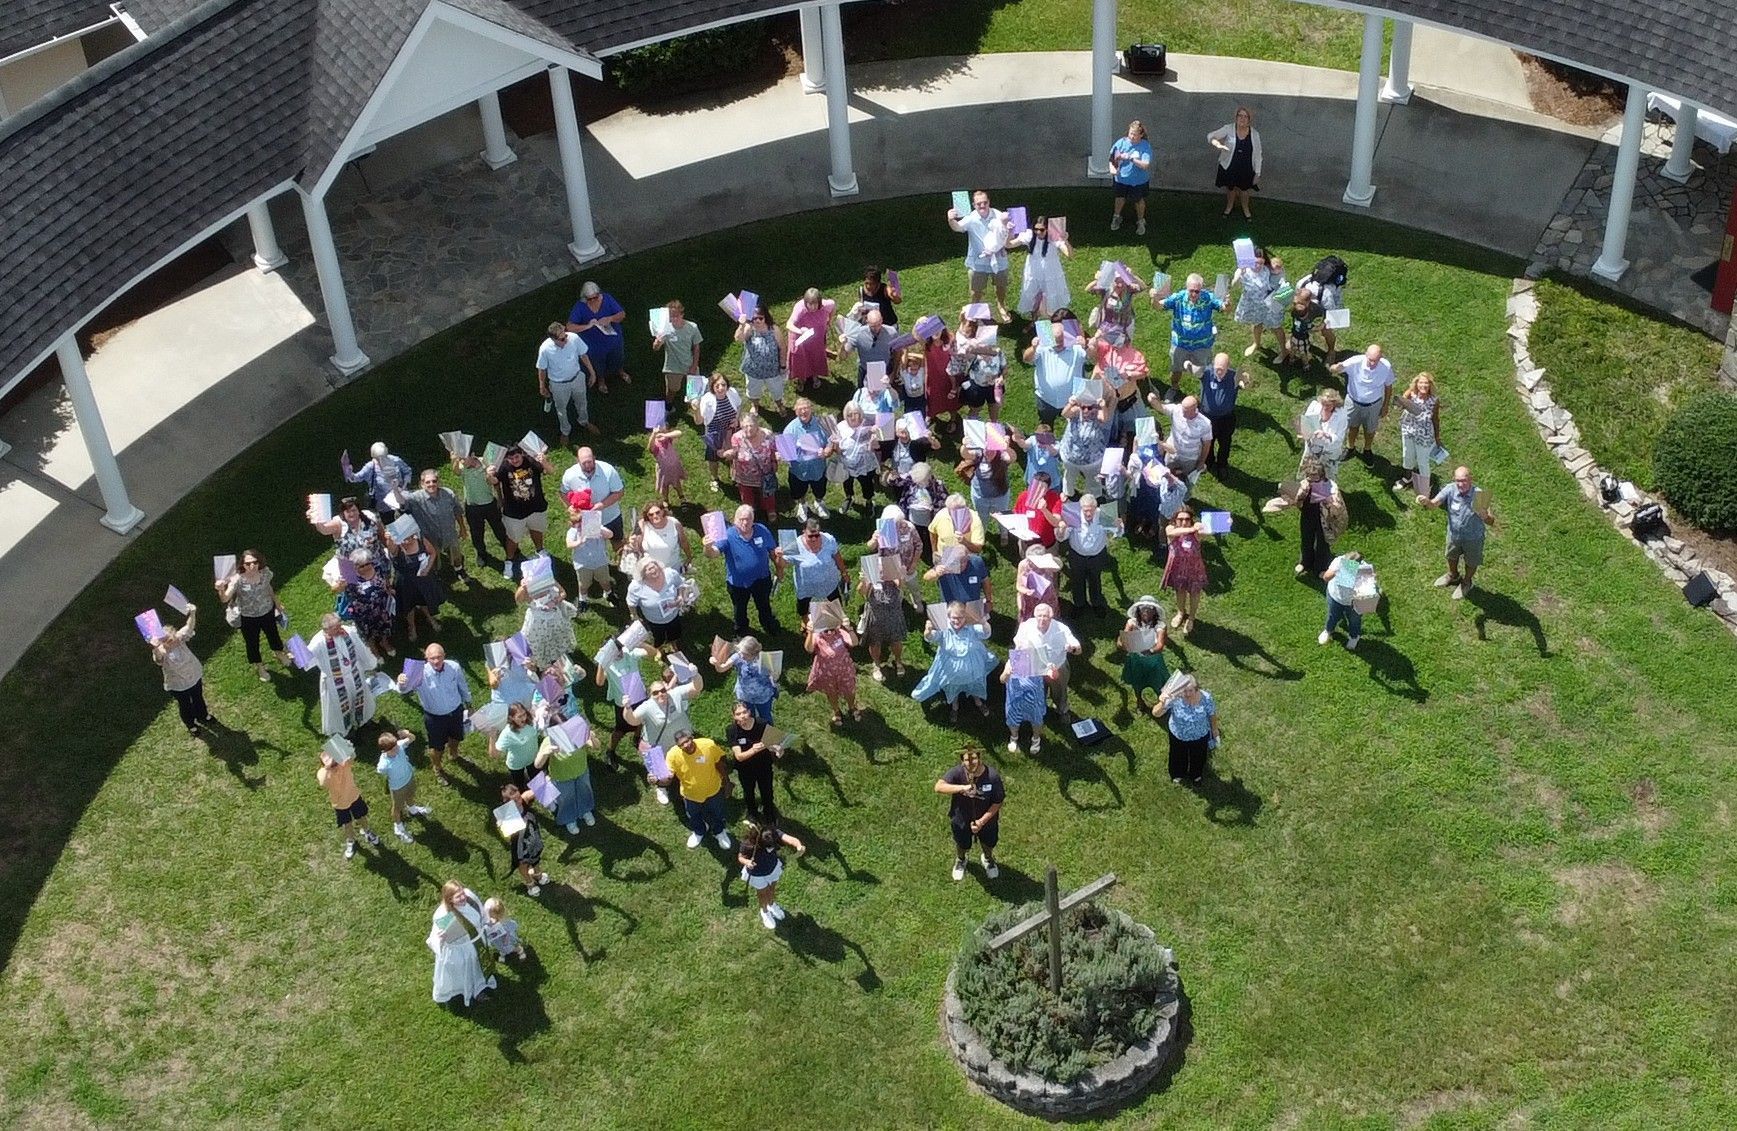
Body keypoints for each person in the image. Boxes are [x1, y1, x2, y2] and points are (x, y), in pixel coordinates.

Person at [398, 642, 471, 784]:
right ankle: (437, 768)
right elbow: (403, 690)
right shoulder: (419, 673)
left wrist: (469, 703)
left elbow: (462, 685)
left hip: (456, 712)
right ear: (426, 658)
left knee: (456, 738)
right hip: (435, 718)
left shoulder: (453, 667)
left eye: (439, 657)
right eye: (432, 658)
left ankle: (454, 755)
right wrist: (401, 682)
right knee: (436, 748)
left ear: (444, 656)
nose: (436, 661)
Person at [1418, 466, 1495, 599]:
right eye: (1458, 480)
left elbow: (1492, 521)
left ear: (1471, 479)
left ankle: (1466, 583)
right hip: (1454, 534)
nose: (1460, 484)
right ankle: (1453, 576)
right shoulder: (1450, 489)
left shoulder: (1479, 495)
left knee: (1471, 562)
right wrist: (1427, 502)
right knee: (1451, 556)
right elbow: (1434, 504)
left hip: (1473, 538)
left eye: (1464, 480)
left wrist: (1485, 517)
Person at [911, 602, 994, 722]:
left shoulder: (971, 628)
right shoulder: (944, 629)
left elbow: (986, 634)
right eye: (954, 618)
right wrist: (928, 631)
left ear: (965, 617)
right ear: (948, 617)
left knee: (974, 683)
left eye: (960, 618)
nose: (957, 621)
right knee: (953, 687)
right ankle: (955, 706)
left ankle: (977, 701)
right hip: (951, 672)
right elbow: (930, 637)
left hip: (973, 669)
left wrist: (984, 623)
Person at [215, 550, 289, 681]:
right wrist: (221, 590)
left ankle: (278, 653)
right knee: (252, 643)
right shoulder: (237, 580)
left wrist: (277, 604)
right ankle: (260, 666)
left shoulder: (265, 573)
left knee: (273, 634)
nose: (252, 566)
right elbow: (225, 599)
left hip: (267, 611)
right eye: (248, 563)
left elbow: (268, 588)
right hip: (248, 617)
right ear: (243, 565)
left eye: (255, 563)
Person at [709, 504, 782, 636]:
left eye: (748, 519)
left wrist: (779, 568)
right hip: (738, 584)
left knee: (764, 604)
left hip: (762, 579)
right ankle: (741, 630)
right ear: (735, 520)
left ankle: (768, 623)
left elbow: (772, 551)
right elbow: (713, 554)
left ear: (753, 520)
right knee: (740, 609)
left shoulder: (762, 530)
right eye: (741, 519)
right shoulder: (727, 535)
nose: (745, 522)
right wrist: (707, 547)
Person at [934, 746, 1004, 881]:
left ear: (980, 759)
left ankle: (988, 859)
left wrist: (982, 822)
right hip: (961, 819)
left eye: (974, 758)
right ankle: (961, 860)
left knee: (989, 843)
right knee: (962, 844)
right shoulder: (957, 772)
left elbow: (998, 802)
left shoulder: (992, 776)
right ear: (962, 761)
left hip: (987, 821)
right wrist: (962, 788)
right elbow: (939, 787)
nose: (970, 762)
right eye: (967, 759)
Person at [947, 189, 1013, 321]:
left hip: (999, 260)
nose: (982, 206)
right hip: (978, 263)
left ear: (989, 202)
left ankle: (1001, 305)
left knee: (1001, 286)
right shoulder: (971, 218)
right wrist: (950, 219)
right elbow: (958, 227)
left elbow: (1008, 234)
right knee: (976, 291)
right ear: (974, 205)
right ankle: (975, 312)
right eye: (979, 204)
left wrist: (1009, 229)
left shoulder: (998, 215)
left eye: (985, 202)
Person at [148, 604, 214, 735]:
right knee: (185, 705)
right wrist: (155, 648)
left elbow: (189, 626)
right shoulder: (161, 651)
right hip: (178, 685)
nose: (170, 642)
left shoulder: (180, 638)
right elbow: (158, 659)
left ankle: (202, 715)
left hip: (194, 675)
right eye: (166, 640)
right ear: (161, 642)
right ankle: (191, 724)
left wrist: (193, 613)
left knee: (198, 697)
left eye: (171, 638)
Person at [1157, 274, 1225, 400]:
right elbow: (1159, 306)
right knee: (1176, 368)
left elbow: (1224, 309)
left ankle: (1206, 392)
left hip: (1202, 346)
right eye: (1191, 291)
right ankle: (1174, 387)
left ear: (1201, 289)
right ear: (1186, 288)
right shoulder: (1178, 298)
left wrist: (1228, 304)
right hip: (1180, 344)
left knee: (1204, 371)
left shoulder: (1208, 298)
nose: (1194, 294)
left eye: (1197, 291)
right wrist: (1154, 298)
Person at [661, 730, 733, 850]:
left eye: (687, 741)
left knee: (718, 813)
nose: (686, 745)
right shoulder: (672, 755)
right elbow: (668, 777)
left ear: (692, 738)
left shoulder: (708, 745)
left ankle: (719, 831)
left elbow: (719, 763)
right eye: (681, 745)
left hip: (713, 790)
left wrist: (727, 782)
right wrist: (658, 781)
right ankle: (699, 831)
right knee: (693, 815)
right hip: (690, 795)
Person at [309, 612, 378, 736]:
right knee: (341, 707)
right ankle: (347, 730)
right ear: (327, 629)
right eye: (336, 628)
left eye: (339, 625)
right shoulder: (318, 642)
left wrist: (369, 663)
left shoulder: (348, 632)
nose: (340, 629)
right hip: (335, 681)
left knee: (360, 698)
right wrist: (295, 656)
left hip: (354, 673)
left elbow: (360, 648)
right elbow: (307, 658)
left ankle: (363, 720)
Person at [1013, 602, 1082, 720]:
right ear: (1035, 616)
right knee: (1037, 692)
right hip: (1036, 669)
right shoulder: (1025, 627)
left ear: (1051, 617)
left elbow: (1078, 649)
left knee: (1060, 692)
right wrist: (1021, 669)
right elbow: (1018, 646)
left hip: (1058, 668)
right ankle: (1039, 709)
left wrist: (1073, 648)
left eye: (1045, 616)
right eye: (1039, 616)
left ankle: (1062, 710)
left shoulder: (1061, 629)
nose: (1042, 619)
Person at [428, 882, 494, 1006]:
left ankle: (479, 987)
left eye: (462, 893)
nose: (463, 897)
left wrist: (486, 924)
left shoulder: (470, 897)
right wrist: (440, 939)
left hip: (477, 943)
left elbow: (481, 911)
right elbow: (433, 939)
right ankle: (465, 991)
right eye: (458, 897)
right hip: (460, 951)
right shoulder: (443, 914)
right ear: (449, 900)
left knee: (477, 967)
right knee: (465, 972)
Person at [595, 639, 655, 774]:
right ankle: (610, 751)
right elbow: (599, 682)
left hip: (639, 696)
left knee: (641, 721)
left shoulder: (630, 653)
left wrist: (639, 643)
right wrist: (602, 662)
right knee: (620, 730)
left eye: (619, 649)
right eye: (614, 652)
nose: (619, 653)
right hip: (623, 703)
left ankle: (637, 737)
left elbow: (653, 653)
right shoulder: (608, 664)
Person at [317, 737, 382, 858]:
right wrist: (328, 767)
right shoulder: (324, 774)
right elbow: (322, 782)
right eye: (331, 764)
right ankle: (350, 841)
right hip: (340, 803)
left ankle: (367, 831)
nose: (334, 765)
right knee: (347, 823)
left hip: (354, 796)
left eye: (335, 762)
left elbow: (352, 756)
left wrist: (348, 748)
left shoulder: (344, 764)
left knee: (361, 816)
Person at [489, 445, 548, 578]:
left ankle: (540, 550)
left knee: (537, 530)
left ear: (522, 454)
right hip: (514, 512)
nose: (515, 460)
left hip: (536, 507)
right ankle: (509, 561)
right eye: (511, 458)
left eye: (517, 457)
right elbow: (494, 481)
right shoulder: (504, 467)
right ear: (507, 459)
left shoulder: (531, 462)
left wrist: (544, 461)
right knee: (513, 538)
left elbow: (549, 471)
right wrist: (489, 475)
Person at [536, 320, 598, 446]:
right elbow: (542, 369)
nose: (565, 339)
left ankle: (584, 421)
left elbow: (583, 355)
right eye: (562, 339)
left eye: (565, 335)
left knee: (582, 401)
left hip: (577, 378)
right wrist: (542, 385)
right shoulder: (545, 349)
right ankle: (565, 431)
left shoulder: (574, 338)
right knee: (561, 409)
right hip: (559, 384)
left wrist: (592, 372)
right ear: (553, 339)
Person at [1329, 343, 1395, 459]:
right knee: (1352, 427)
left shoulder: (1386, 367)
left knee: (1370, 430)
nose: (1373, 363)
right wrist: (1336, 367)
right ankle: (1350, 447)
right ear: (1365, 355)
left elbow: (1388, 386)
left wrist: (1385, 406)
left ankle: (1367, 449)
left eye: (1376, 360)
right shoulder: (1355, 362)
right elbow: (1333, 369)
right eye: (1370, 360)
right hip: (1353, 402)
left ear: (1381, 357)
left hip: (1373, 405)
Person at [405, 469, 470, 585]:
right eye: (427, 482)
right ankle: (437, 574)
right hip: (430, 537)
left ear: (438, 482)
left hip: (449, 533)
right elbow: (402, 505)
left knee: (455, 554)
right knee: (434, 558)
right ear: (422, 484)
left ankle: (459, 569)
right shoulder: (415, 499)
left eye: (434, 481)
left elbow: (457, 511)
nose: (431, 484)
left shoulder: (448, 494)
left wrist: (462, 528)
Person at [778, 519, 846, 627]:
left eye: (817, 535)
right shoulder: (794, 545)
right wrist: (780, 557)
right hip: (806, 586)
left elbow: (837, 556)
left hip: (829, 582)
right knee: (803, 606)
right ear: (803, 531)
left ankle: (838, 620)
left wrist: (844, 572)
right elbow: (782, 565)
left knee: (836, 603)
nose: (814, 539)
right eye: (810, 536)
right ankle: (806, 623)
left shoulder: (828, 540)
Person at [738, 822, 805, 929]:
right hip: (757, 874)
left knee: (772, 889)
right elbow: (740, 857)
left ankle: (771, 904)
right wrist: (747, 862)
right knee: (762, 894)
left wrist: (798, 845)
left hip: (772, 868)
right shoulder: (748, 844)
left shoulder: (772, 833)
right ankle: (764, 912)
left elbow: (790, 839)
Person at [1024, 314, 1087, 427]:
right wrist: (1033, 348)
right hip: (1046, 400)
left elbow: (1095, 358)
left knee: (1074, 427)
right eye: (1055, 341)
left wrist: (1086, 346)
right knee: (1046, 425)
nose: (1058, 344)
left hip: (1071, 401)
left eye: (1061, 340)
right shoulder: (1042, 347)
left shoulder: (1076, 348)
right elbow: (1026, 359)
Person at [567, 279, 630, 392]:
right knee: (598, 363)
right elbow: (570, 327)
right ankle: (601, 380)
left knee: (618, 357)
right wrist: (587, 326)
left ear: (599, 294)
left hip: (613, 339)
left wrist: (610, 318)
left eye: (595, 297)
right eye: (589, 299)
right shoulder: (580, 307)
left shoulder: (607, 299)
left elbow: (622, 314)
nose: (592, 301)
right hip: (594, 344)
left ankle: (620, 371)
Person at [1154, 673, 1218, 783]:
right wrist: (1162, 702)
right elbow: (1156, 713)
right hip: (1178, 735)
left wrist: (1215, 729)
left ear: (1197, 689)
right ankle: (1178, 773)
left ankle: (1196, 775)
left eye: (1190, 690)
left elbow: (1212, 714)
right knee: (1177, 755)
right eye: (1184, 691)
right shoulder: (1174, 697)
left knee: (1199, 756)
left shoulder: (1206, 698)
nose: (1187, 694)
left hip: (1200, 735)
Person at [309, 495, 392, 579]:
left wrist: (392, 549)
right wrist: (316, 519)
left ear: (359, 511)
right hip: (351, 570)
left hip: (376, 564)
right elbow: (324, 530)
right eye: (348, 511)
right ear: (343, 513)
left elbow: (382, 535)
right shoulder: (339, 523)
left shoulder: (370, 517)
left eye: (354, 510)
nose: (351, 514)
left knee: (383, 589)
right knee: (356, 590)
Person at [532, 727, 597, 833]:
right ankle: (569, 819)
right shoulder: (549, 741)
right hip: (562, 776)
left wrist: (592, 738)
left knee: (585, 791)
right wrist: (545, 753)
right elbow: (537, 764)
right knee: (566, 799)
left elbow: (596, 746)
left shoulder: (578, 732)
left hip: (581, 771)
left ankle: (585, 810)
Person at [452, 448, 508, 572]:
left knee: (499, 529)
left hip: (489, 504)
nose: (462, 461)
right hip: (472, 506)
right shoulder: (463, 467)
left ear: (473, 455)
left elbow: (496, 483)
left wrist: (500, 498)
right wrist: (455, 460)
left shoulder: (487, 463)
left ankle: (510, 549)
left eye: (464, 459)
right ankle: (481, 554)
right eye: (460, 459)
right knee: (476, 533)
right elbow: (456, 472)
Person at [725, 700, 780, 824]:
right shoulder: (732, 730)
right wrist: (755, 749)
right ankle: (752, 813)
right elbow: (739, 756)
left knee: (767, 791)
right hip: (745, 769)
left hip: (764, 765)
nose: (742, 716)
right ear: (734, 716)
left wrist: (778, 749)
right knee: (748, 792)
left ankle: (769, 812)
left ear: (750, 712)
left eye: (745, 712)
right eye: (738, 714)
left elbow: (774, 743)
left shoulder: (762, 723)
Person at [388, 525, 445, 644]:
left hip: (422, 580)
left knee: (424, 600)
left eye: (408, 537)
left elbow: (432, 553)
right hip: (405, 583)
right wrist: (390, 539)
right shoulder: (396, 547)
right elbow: (391, 550)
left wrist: (427, 569)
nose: (407, 541)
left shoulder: (421, 540)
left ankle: (430, 618)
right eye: (403, 538)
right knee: (409, 606)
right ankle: (412, 627)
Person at [857, 554, 910, 682]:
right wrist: (865, 580)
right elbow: (861, 592)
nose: (882, 571)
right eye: (879, 568)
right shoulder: (871, 579)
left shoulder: (893, 579)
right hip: (875, 617)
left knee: (896, 641)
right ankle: (876, 664)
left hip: (893, 615)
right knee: (875, 643)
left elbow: (901, 585)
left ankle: (898, 661)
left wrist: (901, 574)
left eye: (883, 568)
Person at [559, 447, 626, 545]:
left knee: (618, 542)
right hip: (586, 520)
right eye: (584, 463)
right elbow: (563, 493)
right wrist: (570, 507)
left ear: (594, 458)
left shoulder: (608, 470)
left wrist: (602, 505)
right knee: (593, 547)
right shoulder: (570, 475)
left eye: (590, 462)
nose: (587, 466)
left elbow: (619, 492)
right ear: (577, 461)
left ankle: (620, 559)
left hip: (610, 516)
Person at [334, 549, 393, 658]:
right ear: (355, 566)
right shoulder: (350, 578)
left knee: (384, 627)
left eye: (368, 563)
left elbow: (384, 582)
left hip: (381, 607)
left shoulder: (377, 568)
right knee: (368, 633)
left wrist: (388, 589)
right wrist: (340, 585)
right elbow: (336, 590)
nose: (366, 567)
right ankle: (374, 650)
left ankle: (384, 643)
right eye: (361, 566)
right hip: (362, 613)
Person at [720, 412, 779, 521]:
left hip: (765, 473)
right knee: (747, 496)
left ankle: (770, 510)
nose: (748, 429)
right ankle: (749, 513)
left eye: (751, 425)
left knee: (768, 493)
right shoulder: (736, 437)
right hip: (744, 476)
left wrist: (774, 461)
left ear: (757, 425)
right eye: (744, 426)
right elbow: (735, 453)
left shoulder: (767, 435)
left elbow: (773, 450)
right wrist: (728, 454)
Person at [782, 398, 835, 521]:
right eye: (800, 409)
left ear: (811, 409)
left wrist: (827, 450)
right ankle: (802, 504)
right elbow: (785, 452)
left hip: (818, 468)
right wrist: (784, 455)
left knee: (820, 489)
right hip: (799, 471)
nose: (803, 411)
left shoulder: (822, 423)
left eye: (806, 408)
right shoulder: (790, 429)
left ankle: (819, 502)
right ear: (795, 412)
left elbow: (832, 440)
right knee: (799, 491)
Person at [376, 729, 433, 843]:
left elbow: (412, 738)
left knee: (410, 795)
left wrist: (407, 733)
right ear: (384, 751)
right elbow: (380, 771)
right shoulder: (384, 763)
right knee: (397, 807)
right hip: (397, 788)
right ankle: (398, 827)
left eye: (396, 746)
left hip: (409, 778)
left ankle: (412, 809)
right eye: (393, 750)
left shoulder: (399, 745)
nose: (396, 750)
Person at [1197, 353, 1248, 475]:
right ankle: (1208, 462)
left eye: (1222, 369)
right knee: (1208, 441)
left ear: (1228, 367)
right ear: (1213, 365)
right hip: (1207, 418)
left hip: (1226, 419)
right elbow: (1195, 371)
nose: (1219, 372)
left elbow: (1245, 382)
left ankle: (1222, 465)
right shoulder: (1207, 372)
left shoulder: (1234, 376)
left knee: (1225, 443)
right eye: (1217, 368)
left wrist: (1245, 380)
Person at [804, 614, 861, 725]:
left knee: (850, 691)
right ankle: (836, 711)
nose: (829, 631)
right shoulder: (817, 635)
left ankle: (852, 707)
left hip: (844, 670)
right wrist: (810, 633)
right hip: (826, 672)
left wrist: (849, 629)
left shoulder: (841, 633)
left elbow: (854, 643)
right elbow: (809, 649)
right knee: (831, 692)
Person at [564, 491, 616, 611]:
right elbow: (569, 544)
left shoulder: (596, 526)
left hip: (600, 560)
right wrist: (579, 542)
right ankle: (583, 599)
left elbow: (610, 534)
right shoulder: (573, 531)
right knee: (583, 584)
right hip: (583, 563)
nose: (581, 524)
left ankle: (608, 593)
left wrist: (599, 529)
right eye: (578, 522)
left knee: (605, 580)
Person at [626, 557, 693, 650]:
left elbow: (680, 584)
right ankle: (659, 649)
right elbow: (631, 603)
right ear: (642, 574)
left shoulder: (670, 574)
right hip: (654, 620)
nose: (653, 570)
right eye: (648, 569)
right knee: (658, 637)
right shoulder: (636, 587)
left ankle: (673, 644)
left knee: (675, 633)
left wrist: (680, 596)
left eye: (654, 566)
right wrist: (634, 616)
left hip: (673, 615)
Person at [1012, 215, 1072, 317]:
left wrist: (1065, 240)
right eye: (1036, 229)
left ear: (1047, 229)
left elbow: (1069, 255)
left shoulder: (1053, 237)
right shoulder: (1030, 236)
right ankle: (1035, 324)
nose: (1038, 232)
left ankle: (1051, 325)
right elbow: (1009, 245)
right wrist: (1008, 231)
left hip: (1050, 273)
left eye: (1041, 229)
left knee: (1051, 305)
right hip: (1033, 272)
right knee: (1033, 301)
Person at [1057, 391, 1116, 497]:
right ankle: (1068, 493)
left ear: (1095, 407)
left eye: (1090, 408)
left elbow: (1105, 418)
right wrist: (1071, 403)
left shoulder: (1097, 415)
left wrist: (1103, 407)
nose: (1086, 410)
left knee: (1093, 480)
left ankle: (1092, 496)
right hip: (1070, 456)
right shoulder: (1076, 412)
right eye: (1083, 407)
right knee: (1069, 477)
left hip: (1092, 461)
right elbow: (1064, 414)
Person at [1395, 372, 1443, 499]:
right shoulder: (1411, 395)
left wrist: (1437, 437)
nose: (1423, 385)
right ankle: (1407, 478)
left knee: (1423, 461)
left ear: (1430, 385)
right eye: (1421, 382)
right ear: (1416, 384)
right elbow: (1400, 403)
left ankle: (1424, 489)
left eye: (1426, 383)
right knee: (1407, 455)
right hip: (1409, 430)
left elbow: (1435, 419)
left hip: (1424, 435)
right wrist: (1410, 391)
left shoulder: (1434, 401)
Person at [1118, 595, 1170, 713]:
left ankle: (1162, 704)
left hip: (1153, 661)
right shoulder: (1132, 623)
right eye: (1142, 607)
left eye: (1149, 608)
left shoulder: (1160, 626)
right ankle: (1139, 701)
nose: (1145, 610)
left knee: (1158, 683)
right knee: (1137, 682)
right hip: (1136, 660)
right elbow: (1122, 640)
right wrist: (1124, 645)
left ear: (1154, 611)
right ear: (1138, 609)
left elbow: (1160, 645)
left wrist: (1149, 651)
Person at [1208, 106, 1262, 217]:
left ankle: (1246, 209)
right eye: (1240, 116)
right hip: (1229, 165)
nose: (1242, 119)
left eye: (1245, 116)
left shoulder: (1255, 134)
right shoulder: (1228, 128)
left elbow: (1258, 155)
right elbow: (1210, 136)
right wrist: (1217, 144)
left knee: (1244, 190)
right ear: (1236, 117)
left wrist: (1257, 172)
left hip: (1246, 167)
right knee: (1230, 188)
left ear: (1249, 119)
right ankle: (1229, 207)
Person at [1062, 493, 1112, 613]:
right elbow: (1062, 537)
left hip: (1097, 556)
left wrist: (1119, 526)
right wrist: (1061, 530)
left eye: (1091, 510)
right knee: (1077, 580)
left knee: (1095, 580)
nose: (1088, 514)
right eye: (1085, 511)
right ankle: (1079, 605)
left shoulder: (1104, 514)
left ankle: (1096, 604)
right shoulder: (1073, 516)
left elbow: (1118, 532)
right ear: (1080, 508)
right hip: (1077, 556)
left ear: (1096, 508)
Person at [1161, 508, 1207, 635]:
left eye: (1187, 519)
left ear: (1191, 520)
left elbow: (1208, 532)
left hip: (1194, 569)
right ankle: (1180, 612)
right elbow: (1173, 533)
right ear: (1175, 520)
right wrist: (1192, 528)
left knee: (1194, 594)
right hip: (1177, 568)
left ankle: (1191, 618)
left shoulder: (1196, 534)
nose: (1183, 522)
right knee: (1179, 591)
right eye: (1180, 519)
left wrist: (1224, 523)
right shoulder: (1170, 529)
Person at [1291, 456, 1340, 578]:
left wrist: (1330, 501)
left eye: (1315, 479)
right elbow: (1298, 499)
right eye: (1309, 478)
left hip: (1324, 519)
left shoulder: (1330, 486)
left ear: (1322, 475)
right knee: (1306, 538)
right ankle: (1305, 562)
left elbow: (1338, 505)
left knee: (1323, 543)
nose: (1312, 482)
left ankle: (1321, 566)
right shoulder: (1305, 484)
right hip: (1308, 515)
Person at [712, 634, 779, 722]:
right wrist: (716, 664)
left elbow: (775, 675)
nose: (741, 655)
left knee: (765, 716)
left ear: (753, 653)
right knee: (749, 717)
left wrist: (774, 675)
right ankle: (752, 731)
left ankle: (769, 734)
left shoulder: (765, 659)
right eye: (740, 652)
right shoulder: (738, 657)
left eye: (744, 654)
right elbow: (722, 669)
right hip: (745, 695)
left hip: (763, 695)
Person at [923, 542, 994, 623]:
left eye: (963, 562)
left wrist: (989, 600)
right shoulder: (945, 563)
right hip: (952, 608)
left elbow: (985, 581)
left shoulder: (977, 562)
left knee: (973, 630)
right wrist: (936, 573)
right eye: (956, 562)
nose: (960, 565)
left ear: (968, 557)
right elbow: (926, 577)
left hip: (972, 606)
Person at [694, 371, 741, 493]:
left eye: (723, 385)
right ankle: (715, 478)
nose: (721, 388)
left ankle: (735, 475)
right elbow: (699, 421)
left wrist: (737, 419)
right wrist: (696, 409)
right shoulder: (706, 399)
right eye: (717, 386)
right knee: (713, 458)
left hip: (732, 431)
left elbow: (739, 406)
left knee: (734, 455)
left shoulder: (732, 393)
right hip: (714, 433)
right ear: (712, 387)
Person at [956, 439, 1012, 542]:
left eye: (993, 450)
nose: (989, 453)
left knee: (1003, 516)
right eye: (987, 450)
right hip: (980, 496)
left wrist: (1007, 447)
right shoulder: (979, 453)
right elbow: (965, 454)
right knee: (981, 518)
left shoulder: (1002, 455)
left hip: (1000, 496)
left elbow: (1012, 458)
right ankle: (982, 533)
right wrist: (964, 444)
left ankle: (1004, 534)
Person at [1231, 246, 1284, 355]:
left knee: (1276, 327)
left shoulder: (1266, 269)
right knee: (1256, 324)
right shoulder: (1244, 270)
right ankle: (1256, 343)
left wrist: (1278, 268)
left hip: (1269, 303)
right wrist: (1238, 275)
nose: (1258, 266)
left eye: (1261, 263)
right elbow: (1234, 284)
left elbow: (1279, 271)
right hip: (1252, 305)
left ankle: (1284, 351)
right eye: (1256, 263)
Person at [735, 303, 787, 412]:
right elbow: (738, 338)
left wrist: (783, 366)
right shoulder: (749, 328)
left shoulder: (774, 329)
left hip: (772, 369)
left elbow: (782, 347)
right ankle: (755, 405)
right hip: (753, 370)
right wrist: (742, 325)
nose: (757, 321)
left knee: (777, 390)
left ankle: (779, 404)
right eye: (754, 318)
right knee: (753, 390)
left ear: (765, 317)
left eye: (760, 318)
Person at [515, 573, 576, 666]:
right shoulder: (529, 588)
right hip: (537, 622)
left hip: (554, 616)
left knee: (557, 636)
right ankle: (542, 660)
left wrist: (555, 601)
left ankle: (560, 656)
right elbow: (518, 599)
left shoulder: (549, 580)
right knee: (538, 641)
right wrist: (523, 587)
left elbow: (563, 593)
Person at [499, 784, 549, 894]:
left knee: (536, 855)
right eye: (511, 795)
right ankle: (529, 883)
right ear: (507, 802)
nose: (516, 796)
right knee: (522, 863)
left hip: (533, 836)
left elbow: (534, 790)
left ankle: (537, 874)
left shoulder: (524, 799)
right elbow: (506, 831)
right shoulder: (508, 814)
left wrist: (546, 782)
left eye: (515, 792)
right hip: (520, 844)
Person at [785, 288, 836, 394]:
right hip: (801, 335)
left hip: (816, 335)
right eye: (809, 304)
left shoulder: (826, 305)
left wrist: (829, 321)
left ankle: (814, 374)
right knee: (800, 357)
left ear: (820, 302)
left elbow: (833, 306)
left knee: (816, 354)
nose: (812, 307)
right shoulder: (799, 308)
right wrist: (800, 331)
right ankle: (801, 378)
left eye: (815, 304)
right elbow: (789, 324)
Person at [344, 441, 413, 521]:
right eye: (378, 458)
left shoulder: (396, 460)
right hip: (384, 507)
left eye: (384, 457)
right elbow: (356, 478)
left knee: (409, 526)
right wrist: (349, 473)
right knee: (391, 529)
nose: (381, 460)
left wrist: (404, 486)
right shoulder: (370, 466)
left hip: (401, 501)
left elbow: (407, 471)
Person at [652, 299, 703, 405]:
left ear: (682, 314)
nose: (674, 318)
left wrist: (694, 366)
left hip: (689, 364)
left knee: (694, 393)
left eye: (676, 315)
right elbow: (656, 348)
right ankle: (668, 407)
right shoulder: (665, 329)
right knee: (672, 390)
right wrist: (657, 343)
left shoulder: (692, 327)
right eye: (671, 316)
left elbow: (696, 347)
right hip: (673, 367)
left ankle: (696, 412)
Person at [1000, 644, 1048, 754]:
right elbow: (1002, 680)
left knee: (1036, 719)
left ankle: (1036, 739)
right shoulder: (1011, 662)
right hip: (1015, 699)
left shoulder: (1038, 662)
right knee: (1013, 720)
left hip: (1034, 699)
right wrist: (1007, 674)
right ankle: (1014, 737)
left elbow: (1049, 670)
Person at [1108, 119, 1154, 234]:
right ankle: (1117, 217)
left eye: (1135, 134)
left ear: (1141, 135)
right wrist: (1112, 169)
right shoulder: (1121, 143)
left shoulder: (1145, 146)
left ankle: (1140, 221)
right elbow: (1112, 157)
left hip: (1138, 181)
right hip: (1121, 180)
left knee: (1138, 201)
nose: (1132, 136)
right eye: (1130, 133)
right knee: (1119, 198)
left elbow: (1145, 165)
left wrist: (1131, 158)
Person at [834, 402, 881, 513]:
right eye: (850, 415)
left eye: (856, 414)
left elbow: (876, 447)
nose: (854, 417)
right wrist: (835, 444)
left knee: (867, 484)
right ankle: (849, 497)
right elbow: (838, 450)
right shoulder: (840, 428)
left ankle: (869, 501)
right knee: (847, 483)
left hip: (865, 466)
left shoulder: (869, 426)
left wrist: (874, 441)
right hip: (847, 465)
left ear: (861, 414)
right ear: (845, 415)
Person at [1320, 551, 1371, 651]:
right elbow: (1326, 577)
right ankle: (1328, 630)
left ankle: (1354, 637)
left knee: (1354, 620)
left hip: (1353, 602)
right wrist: (1336, 571)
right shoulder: (1339, 561)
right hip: (1335, 596)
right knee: (1332, 615)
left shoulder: (1365, 571)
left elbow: (1367, 592)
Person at [1158, 396, 1213, 487]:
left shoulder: (1205, 424)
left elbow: (1207, 444)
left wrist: (1201, 462)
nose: (1182, 413)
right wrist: (1153, 400)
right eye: (1183, 409)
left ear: (1194, 409)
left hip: (1189, 458)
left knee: (1185, 479)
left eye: (1185, 411)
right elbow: (1161, 408)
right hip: (1172, 454)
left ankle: (1184, 495)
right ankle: (1167, 492)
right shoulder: (1177, 410)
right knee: (1167, 474)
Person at [922, 319, 962, 434]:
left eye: (938, 329)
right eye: (932, 329)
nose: (935, 332)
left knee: (951, 401)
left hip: (949, 378)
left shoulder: (950, 339)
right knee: (932, 398)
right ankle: (930, 415)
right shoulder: (926, 342)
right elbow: (915, 334)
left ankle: (953, 420)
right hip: (933, 377)